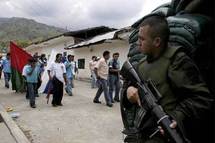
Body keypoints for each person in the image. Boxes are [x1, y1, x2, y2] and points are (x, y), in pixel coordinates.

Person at [122, 15, 213, 142]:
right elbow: (128, 87)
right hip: (142, 134)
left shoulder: (177, 60)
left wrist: (175, 117)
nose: (138, 43)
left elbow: (202, 98)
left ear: (157, 42)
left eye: (142, 39)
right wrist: (128, 90)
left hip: (164, 136)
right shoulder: (141, 64)